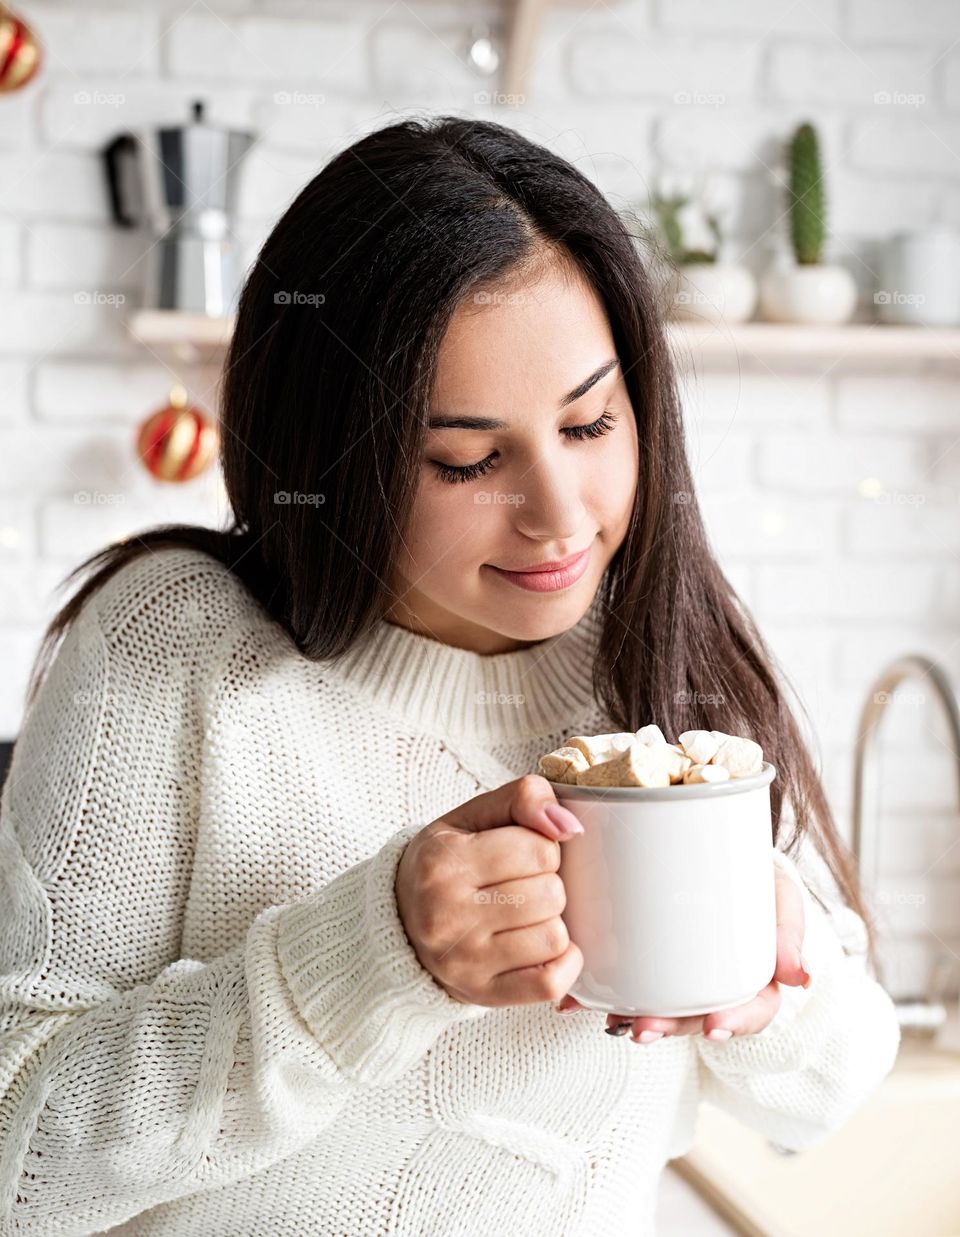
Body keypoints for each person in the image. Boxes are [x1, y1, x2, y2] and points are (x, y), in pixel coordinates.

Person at [0, 115, 900, 1236]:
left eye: (589, 423)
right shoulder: (172, 648)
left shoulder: (668, 650)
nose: (561, 520)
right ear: (333, 454)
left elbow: (837, 1091)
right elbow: (16, 1157)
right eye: (469, 459)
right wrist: (376, 953)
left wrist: (772, 964)